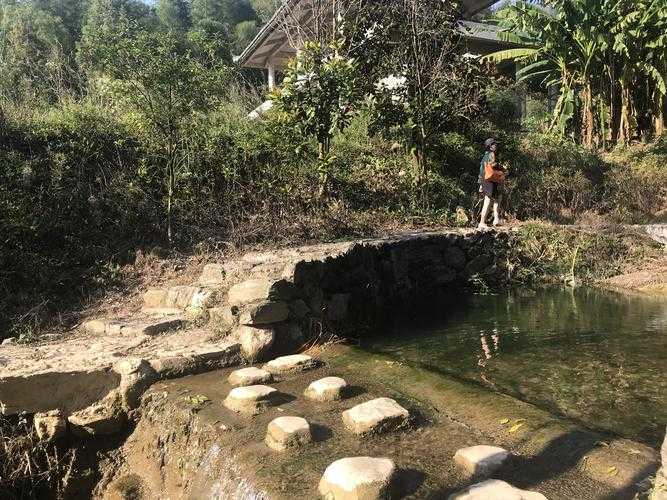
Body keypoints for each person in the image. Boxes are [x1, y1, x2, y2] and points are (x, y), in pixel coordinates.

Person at [478, 138, 505, 228]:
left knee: (497, 198)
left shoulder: (484, 156)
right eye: (494, 145)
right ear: (490, 147)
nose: (496, 146)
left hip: (486, 180)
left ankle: (496, 219)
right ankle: (482, 222)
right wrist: (501, 166)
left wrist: (480, 184)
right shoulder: (491, 154)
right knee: (488, 200)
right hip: (489, 180)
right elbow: (492, 164)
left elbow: (481, 170)